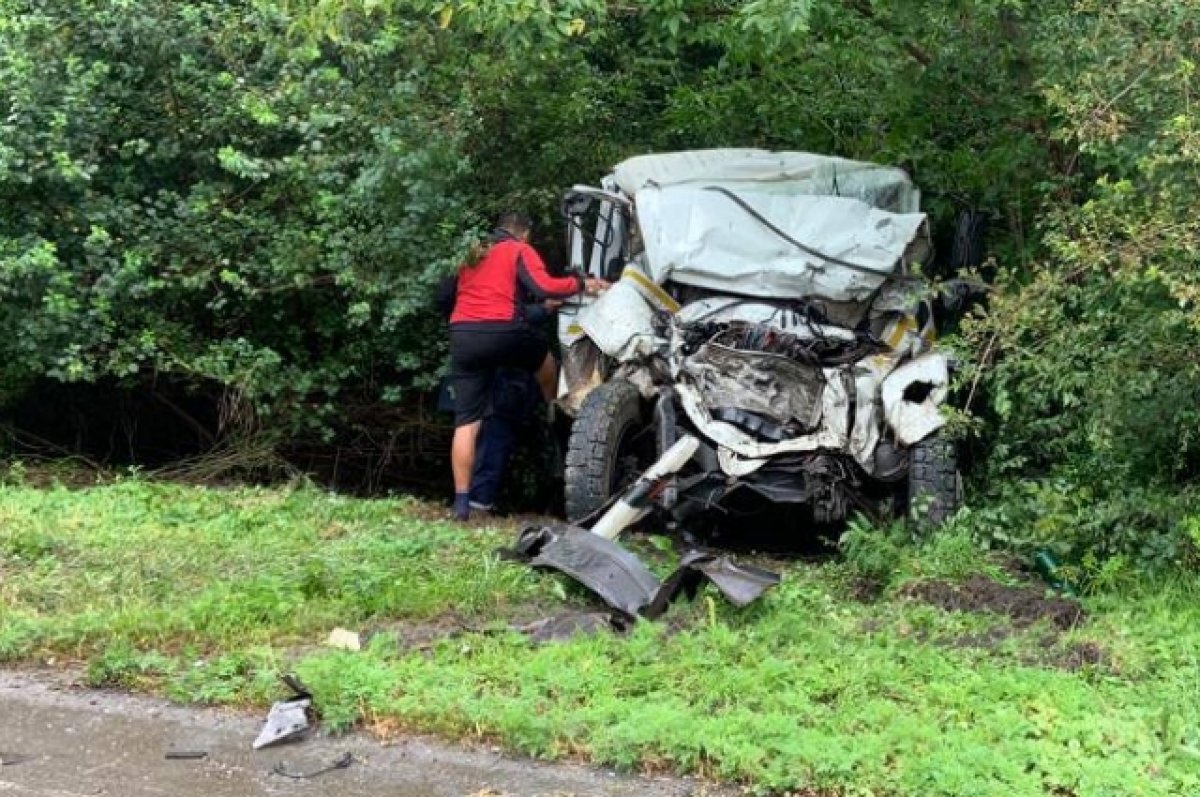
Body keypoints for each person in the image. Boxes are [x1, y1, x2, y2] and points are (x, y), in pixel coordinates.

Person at [447, 212, 606, 520]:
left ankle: (461, 505)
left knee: (466, 424)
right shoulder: (518, 249)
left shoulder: (473, 251)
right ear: (523, 233)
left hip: (463, 335)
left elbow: (446, 294)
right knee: (546, 361)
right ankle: (554, 409)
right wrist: (583, 284)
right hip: (503, 332)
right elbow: (544, 285)